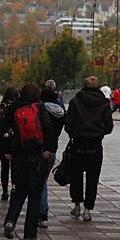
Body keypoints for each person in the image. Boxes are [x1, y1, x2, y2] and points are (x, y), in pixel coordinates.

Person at [0, 84, 52, 240]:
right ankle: (30, 234)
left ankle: (10, 221)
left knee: (19, 191)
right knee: (35, 195)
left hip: (18, 156)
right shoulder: (39, 107)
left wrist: (6, 151)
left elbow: (2, 129)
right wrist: (49, 148)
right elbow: (48, 127)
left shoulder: (13, 108)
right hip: (36, 154)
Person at [64, 76, 113, 221]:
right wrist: (98, 133)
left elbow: (68, 125)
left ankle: (77, 205)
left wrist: (74, 133)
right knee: (92, 178)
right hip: (95, 145)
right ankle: (88, 209)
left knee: (76, 176)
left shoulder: (75, 101)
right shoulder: (104, 103)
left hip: (78, 143)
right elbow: (109, 127)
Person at [39, 88, 66, 228]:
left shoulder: (41, 110)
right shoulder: (60, 113)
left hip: (42, 149)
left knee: (40, 181)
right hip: (53, 150)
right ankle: (41, 212)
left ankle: (42, 213)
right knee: (43, 179)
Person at [0, 86, 19, 201]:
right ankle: (14, 187)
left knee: (4, 166)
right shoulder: (17, 108)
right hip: (14, 141)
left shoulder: (0, 109)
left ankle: (5, 191)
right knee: (15, 166)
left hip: (2, 141)